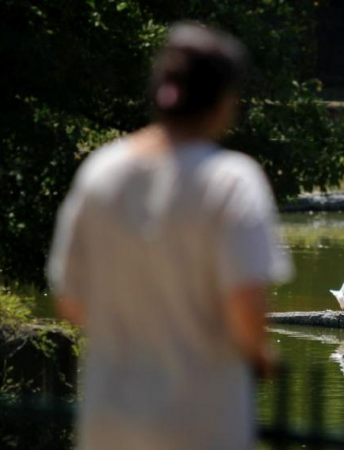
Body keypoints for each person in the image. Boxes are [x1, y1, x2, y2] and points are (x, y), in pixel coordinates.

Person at [47, 22, 292, 450]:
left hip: (111, 421)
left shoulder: (102, 172)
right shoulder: (230, 181)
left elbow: (70, 299)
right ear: (223, 101)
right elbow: (247, 307)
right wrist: (259, 356)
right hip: (201, 423)